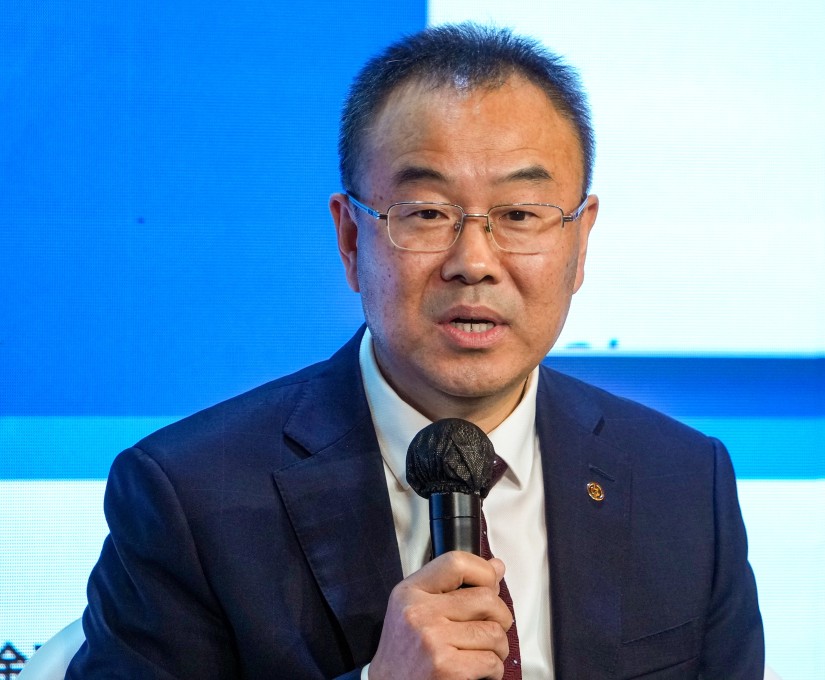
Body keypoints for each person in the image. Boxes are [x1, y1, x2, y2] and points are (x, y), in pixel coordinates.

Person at [67, 23, 764, 679]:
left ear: (581, 242)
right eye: (427, 213)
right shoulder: (188, 498)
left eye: (520, 215)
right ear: (350, 239)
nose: (475, 262)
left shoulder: (682, 484)